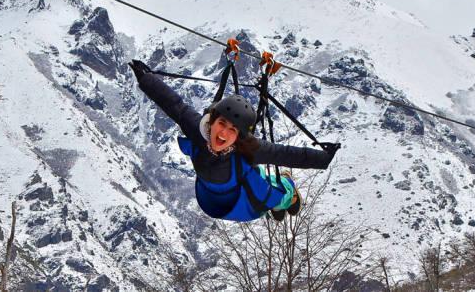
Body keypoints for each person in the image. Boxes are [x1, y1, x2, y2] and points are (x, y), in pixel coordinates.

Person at [129, 59, 339, 222]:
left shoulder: (249, 149)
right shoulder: (199, 132)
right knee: (259, 179)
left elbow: (285, 154)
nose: (223, 133)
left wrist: (323, 158)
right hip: (218, 200)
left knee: (272, 191)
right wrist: (145, 79)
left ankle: (289, 195)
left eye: (232, 130)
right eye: (222, 124)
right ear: (211, 122)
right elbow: (175, 105)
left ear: (239, 137)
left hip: (242, 198)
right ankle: (278, 196)